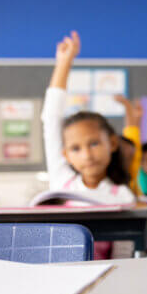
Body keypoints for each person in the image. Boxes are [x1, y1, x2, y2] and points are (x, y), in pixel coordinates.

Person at [41, 31, 134, 259]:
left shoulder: (122, 195)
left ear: (112, 143)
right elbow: (51, 119)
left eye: (94, 143)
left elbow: (125, 254)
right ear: (65, 154)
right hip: (60, 274)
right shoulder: (62, 182)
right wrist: (64, 63)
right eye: (75, 149)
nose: (86, 154)